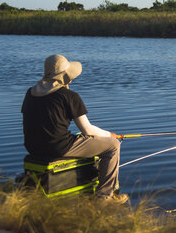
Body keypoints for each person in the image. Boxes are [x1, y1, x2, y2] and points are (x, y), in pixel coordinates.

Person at [22, 54, 126, 202]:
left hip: (32, 147)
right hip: (58, 147)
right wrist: (110, 135)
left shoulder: (30, 92)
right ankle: (105, 197)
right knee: (113, 146)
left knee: (83, 138)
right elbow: (88, 130)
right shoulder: (69, 96)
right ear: (65, 76)